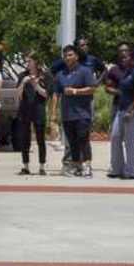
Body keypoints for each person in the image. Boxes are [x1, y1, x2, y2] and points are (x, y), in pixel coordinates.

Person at [54, 45, 96, 178]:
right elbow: (56, 94)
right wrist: (54, 113)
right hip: (67, 114)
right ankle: (77, 166)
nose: (67, 58)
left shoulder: (85, 71)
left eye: (70, 55)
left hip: (82, 113)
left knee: (83, 140)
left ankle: (87, 166)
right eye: (65, 55)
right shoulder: (61, 74)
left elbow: (92, 88)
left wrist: (75, 91)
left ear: (76, 56)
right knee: (72, 143)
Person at [107, 46, 134, 180]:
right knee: (115, 136)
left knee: (129, 140)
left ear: (133, 59)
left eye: (127, 56)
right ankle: (117, 168)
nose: (124, 58)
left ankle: (131, 170)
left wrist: (131, 110)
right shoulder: (127, 71)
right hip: (121, 109)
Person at [17, 54, 50, 176]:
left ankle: (42, 166)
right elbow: (19, 95)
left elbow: (46, 94)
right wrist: (24, 83)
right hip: (25, 110)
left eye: (29, 61)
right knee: (25, 139)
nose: (27, 63)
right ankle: (25, 166)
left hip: (39, 110)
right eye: (27, 61)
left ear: (36, 62)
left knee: (41, 139)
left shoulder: (44, 76)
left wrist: (36, 85)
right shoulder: (22, 75)